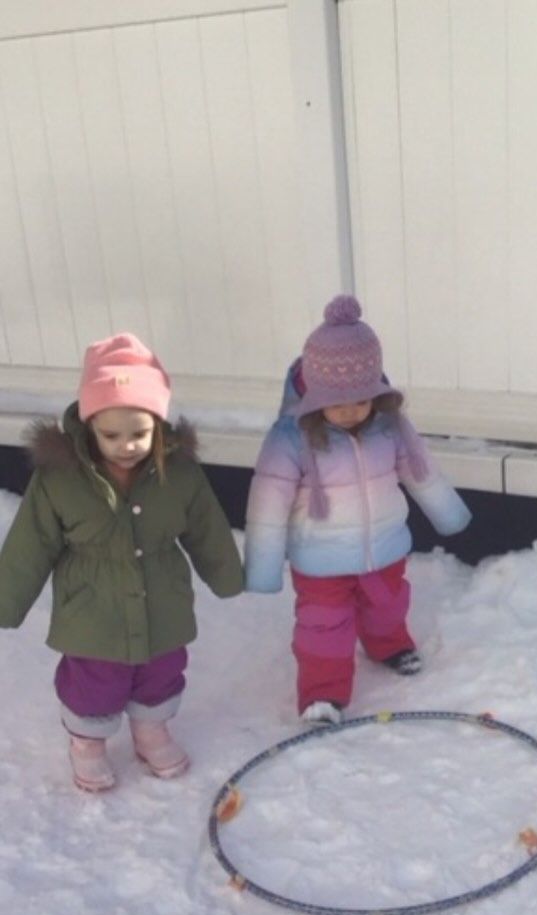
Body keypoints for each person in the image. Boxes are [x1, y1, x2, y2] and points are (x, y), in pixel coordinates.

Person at [0, 334, 244, 792]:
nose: (126, 445)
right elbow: (29, 543)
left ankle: (151, 730)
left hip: (162, 598)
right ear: (89, 424)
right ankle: (87, 743)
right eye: (111, 434)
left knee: (162, 668)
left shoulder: (180, 474)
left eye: (140, 433)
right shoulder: (61, 478)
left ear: (158, 424)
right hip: (93, 606)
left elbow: (207, 527)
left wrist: (228, 575)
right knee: (95, 680)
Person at [244, 294, 471, 724]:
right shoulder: (292, 438)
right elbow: (267, 504)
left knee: (387, 604)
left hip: (383, 547)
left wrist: (448, 513)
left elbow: (420, 470)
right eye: (337, 400)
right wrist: (263, 566)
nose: (350, 410)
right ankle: (323, 694)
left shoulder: (390, 427)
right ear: (314, 394)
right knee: (324, 626)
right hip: (320, 561)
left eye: (362, 399)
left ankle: (389, 645)